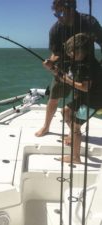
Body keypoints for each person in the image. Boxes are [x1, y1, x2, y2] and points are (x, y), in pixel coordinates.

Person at [35, 0, 102, 137]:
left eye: (60, 12)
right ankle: (46, 126)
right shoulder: (55, 29)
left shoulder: (89, 22)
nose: (58, 17)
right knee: (54, 97)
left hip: (85, 69)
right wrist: (50, 62)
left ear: (71, 8)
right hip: (64, 68)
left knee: (80, 102)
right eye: (55, 14)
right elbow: (55, 54)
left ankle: (73, 132)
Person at [43, 33, 102, 164]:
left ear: (81, 50)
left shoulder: (89, 65)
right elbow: (66, 75)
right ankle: (76, 135)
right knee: (65, 112)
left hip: (93, 101)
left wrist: (68, 81)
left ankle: (75, 157)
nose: (69, 54)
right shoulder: (78, 61)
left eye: (71, 51)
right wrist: (53, 68)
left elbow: (85, 87)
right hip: (84, 98)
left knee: (75, 126)